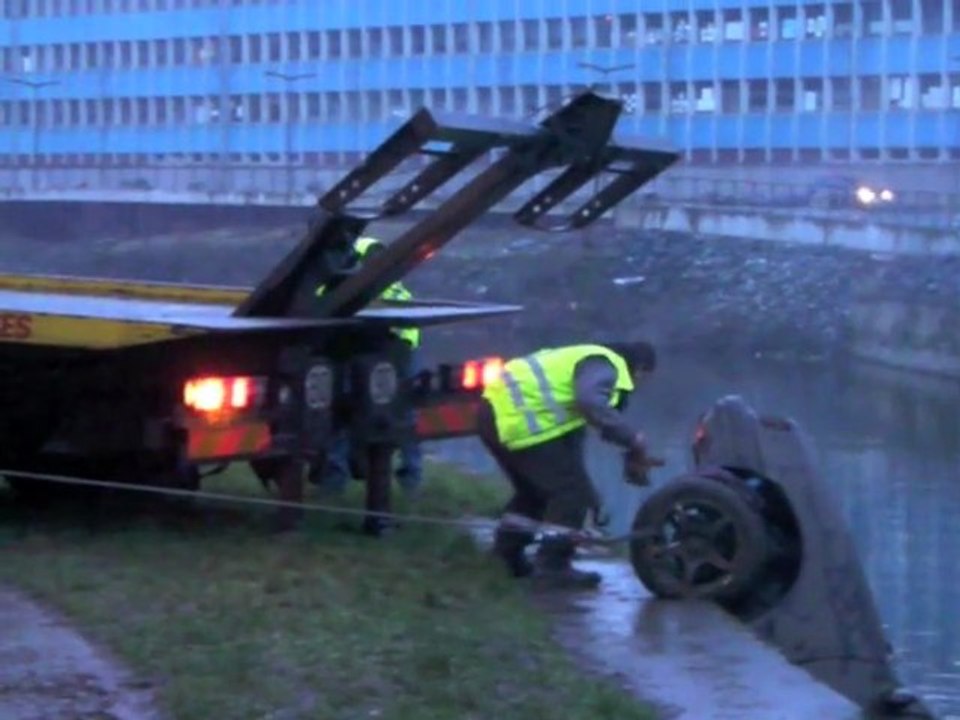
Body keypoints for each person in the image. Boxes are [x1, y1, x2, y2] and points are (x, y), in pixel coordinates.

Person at [477, 341, 657, 588]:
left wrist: (591, 495)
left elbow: (571, 448)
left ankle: (505, 557)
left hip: (493, 415)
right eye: (643, 379)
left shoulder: (580, 360)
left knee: (535, 493)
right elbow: (590, 401)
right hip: (521, 421)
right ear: (639, 369)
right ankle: (553, 566)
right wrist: (633, 438)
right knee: (570, 495)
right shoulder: (605, 365)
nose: (639, 385)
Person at [310, 235, 424, 496]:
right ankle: (410, 481)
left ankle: (335, 480)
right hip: (397, 354)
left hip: (381, 355)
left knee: (344, 414)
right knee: (402, 419)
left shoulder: (350, 287)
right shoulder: (389, 284)